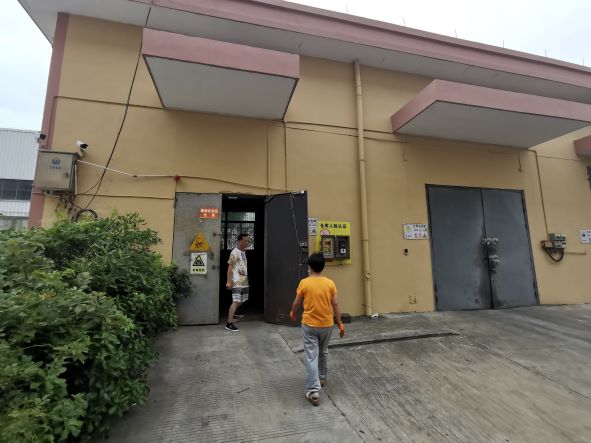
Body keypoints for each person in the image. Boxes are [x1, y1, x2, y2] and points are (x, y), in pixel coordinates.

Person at [289, 253, 345, 406]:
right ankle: (321, 377)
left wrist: (293, 313)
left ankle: (313, 391)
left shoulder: (304, 283)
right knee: (323, 351)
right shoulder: (330, 283)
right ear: (322, 267)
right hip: (327, 325)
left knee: (311, 356)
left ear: (310, 267)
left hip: (309, 325)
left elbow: (296, 302)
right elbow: (335, 304)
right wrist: (340, 323)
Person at [225, 234, 250, 332]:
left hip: (244, 280)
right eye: (245, 241)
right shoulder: (234, 252)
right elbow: (230, 267)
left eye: (248, 241)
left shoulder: (243, 251)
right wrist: (228, 281)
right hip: (237, 281)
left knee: (243, 299)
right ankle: (229, 323)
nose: (247, 243)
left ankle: (233, 313)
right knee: (236, 301)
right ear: (239, 241)